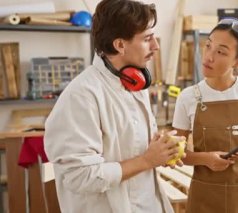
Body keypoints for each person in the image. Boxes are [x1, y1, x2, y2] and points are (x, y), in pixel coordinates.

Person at [44, 1, 184, 212]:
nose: (156, 46)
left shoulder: (135, 83)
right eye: (147, 39)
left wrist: (160, 149)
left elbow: (130, 147)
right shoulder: (81, 96)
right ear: (120, 45)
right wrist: (146, 160)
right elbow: (79, 177)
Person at [172, 17, 238, 213]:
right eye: (208, 46)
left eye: (220, 52)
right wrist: (206, 159)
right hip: (205, 199)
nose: (209, 56)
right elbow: (178, 154)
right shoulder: (187, 97)